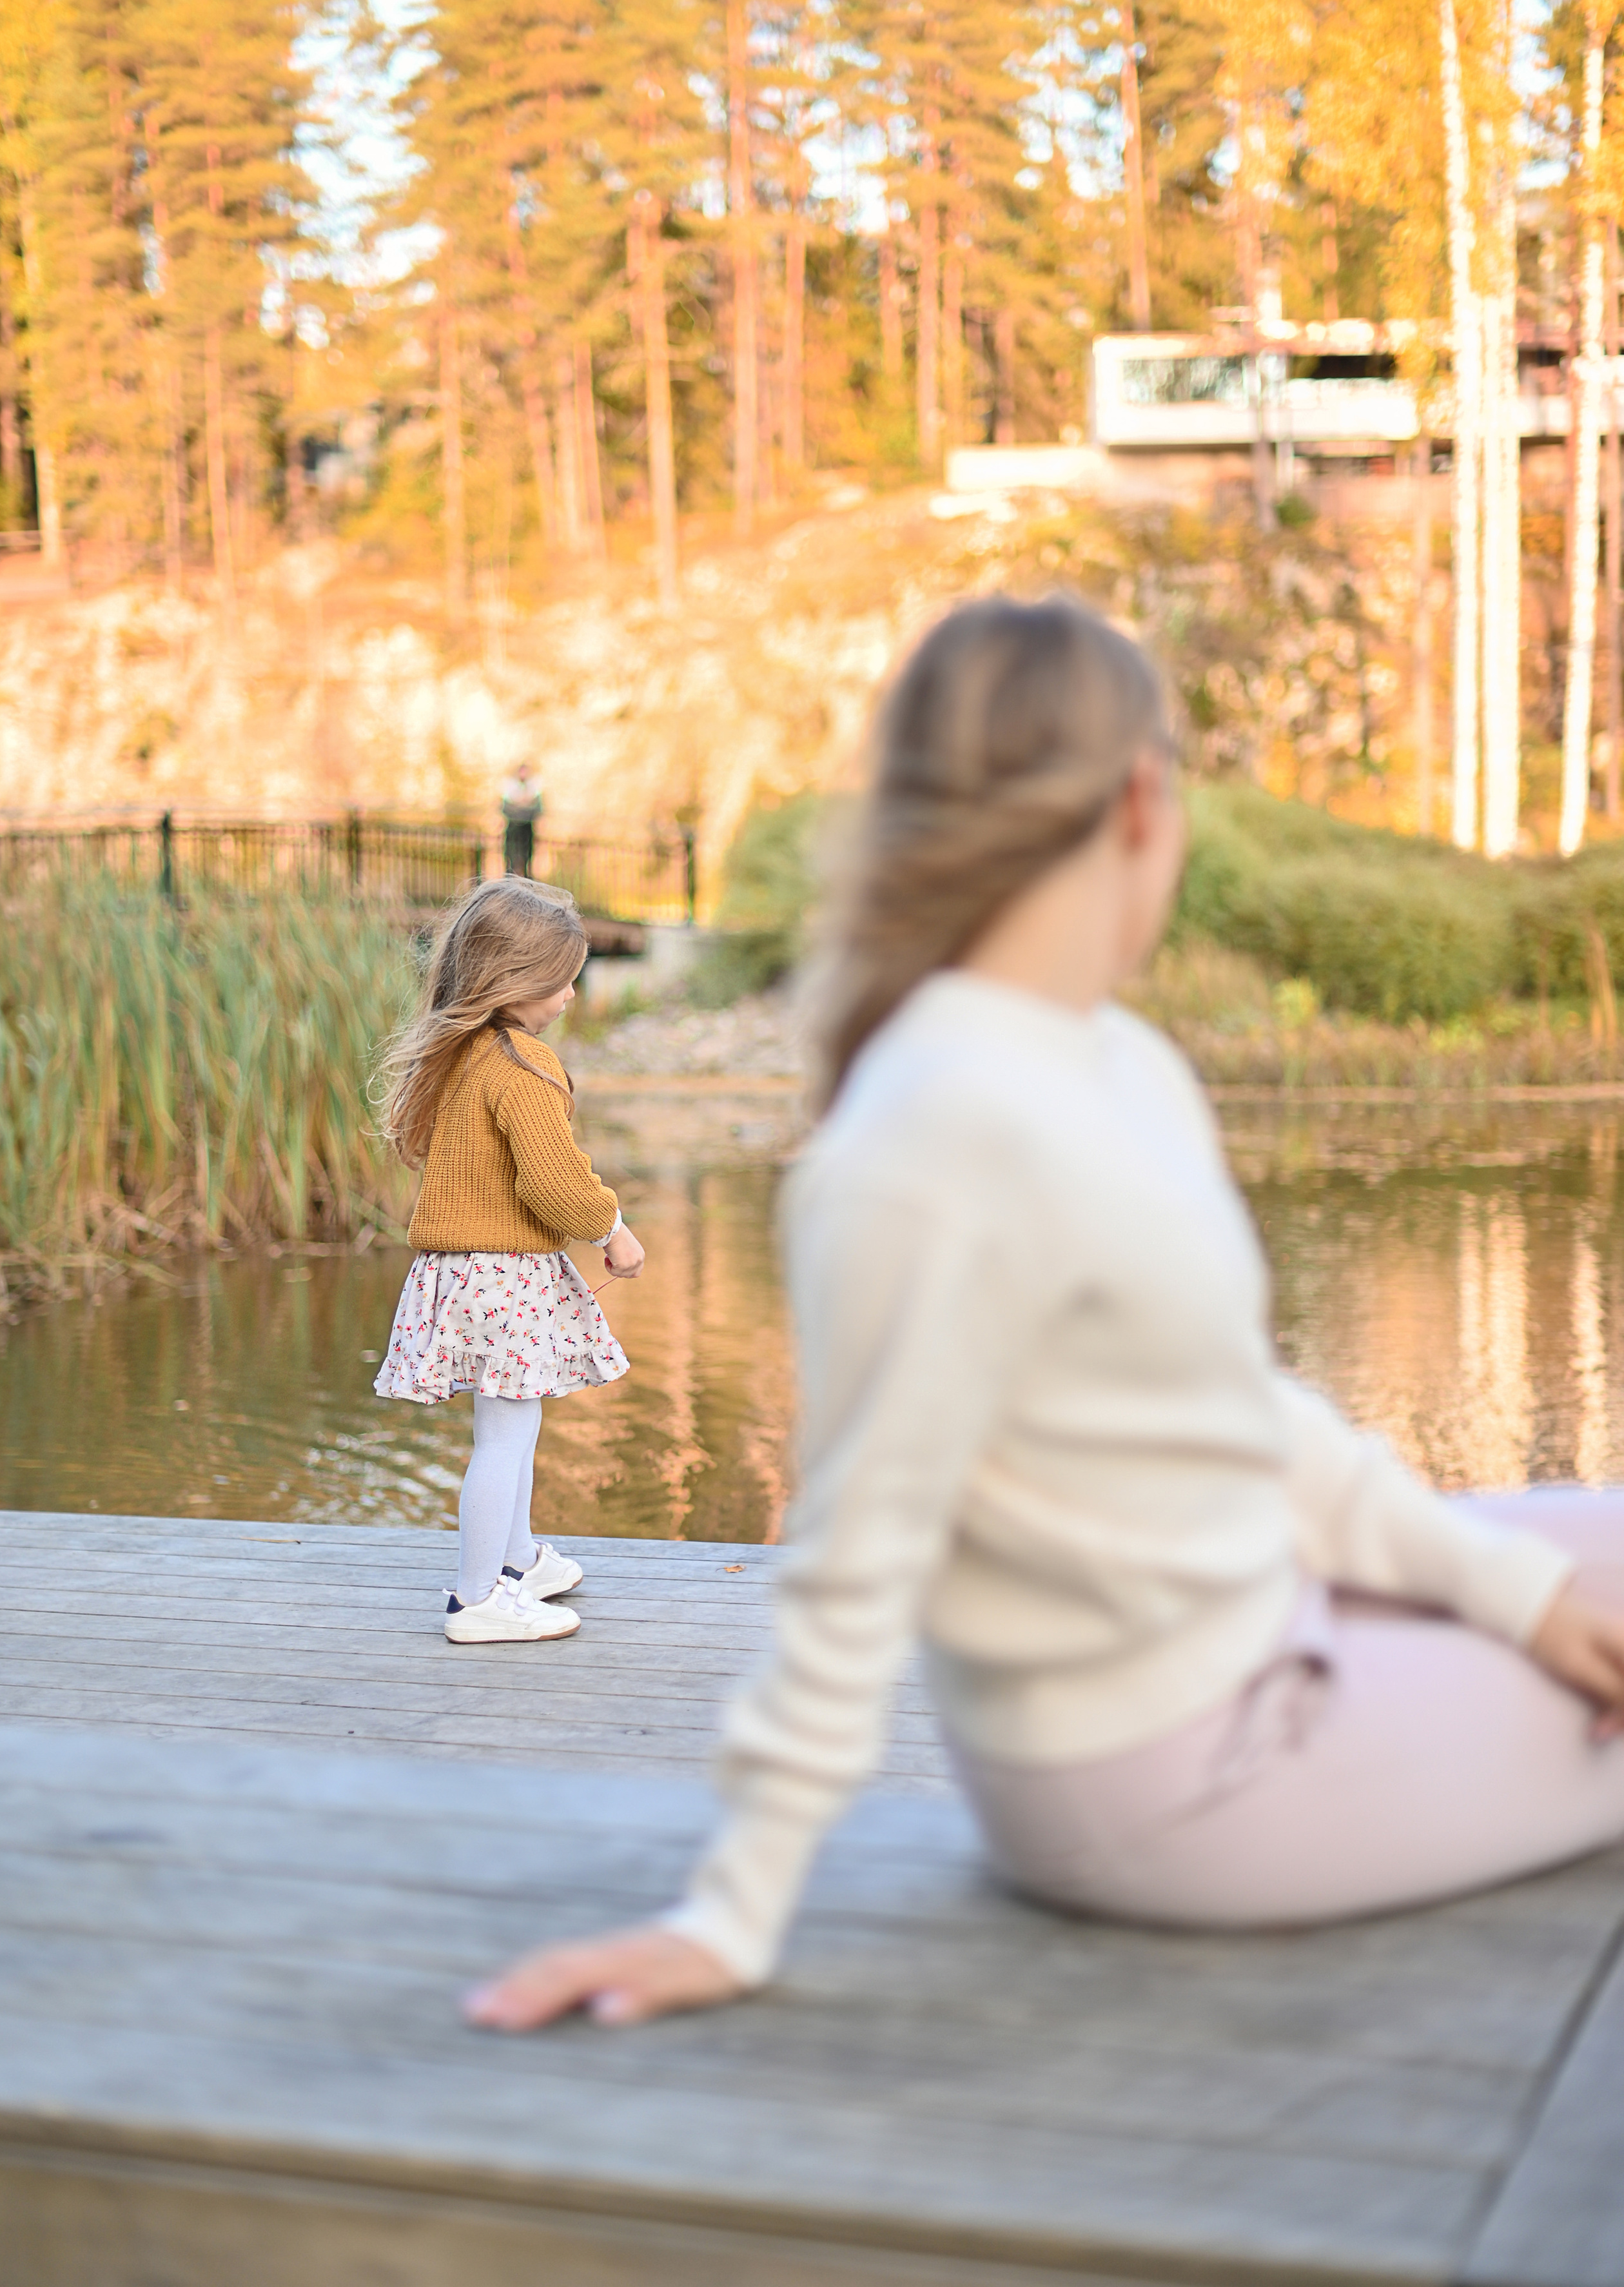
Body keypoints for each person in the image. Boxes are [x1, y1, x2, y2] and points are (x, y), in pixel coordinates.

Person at [465, 594, 1624, 2027]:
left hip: (1258, 1630)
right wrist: (732, 1913)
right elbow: (853, 1559)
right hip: (1173, 1780)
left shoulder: (1117, 1063)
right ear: (1144, 799)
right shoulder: (929, 1135)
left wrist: (1506, 1593)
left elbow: (1245, 1423)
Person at [375, 876, 645, 1643]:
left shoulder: (461, 1053)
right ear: (514, 980)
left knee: (510, 1427)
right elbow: (554, 1180)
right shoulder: (523, 1065)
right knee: (505, 1438)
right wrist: (612, 1230)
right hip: (504, 1273)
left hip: (461, 1273)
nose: (568, 995)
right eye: (559, 980)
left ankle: (521, 1560)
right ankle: (476, 1600)